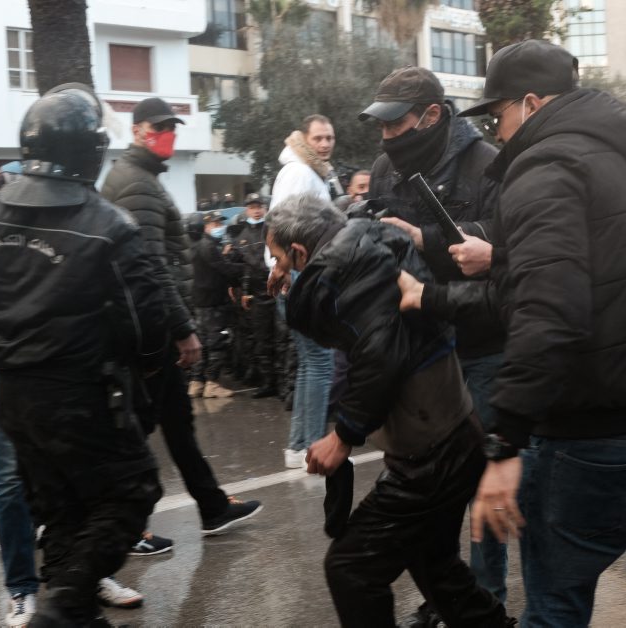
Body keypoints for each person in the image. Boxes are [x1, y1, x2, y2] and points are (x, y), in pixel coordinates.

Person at [459, 40, 626, 627]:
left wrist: (505, 443)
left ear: (531, 104)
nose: (496, 134)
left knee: (555, 607)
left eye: (497, 115)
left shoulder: (542, 168)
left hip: (601, 434)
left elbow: (549, 312)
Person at [0, 86, 165, 626]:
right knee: (131, 492)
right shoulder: (108, 225)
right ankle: (66, 604)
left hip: (13, 394)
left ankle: (74, 611)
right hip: (79, 393)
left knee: (63, 507)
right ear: (90, 151)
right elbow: (148, 323)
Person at [265, 192, 512, 628]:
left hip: (432, 457)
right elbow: (349, 333)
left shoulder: (350, 269)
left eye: (280, 259)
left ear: (300, 251)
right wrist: (295, 285)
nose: (277, 270)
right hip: (444, 441)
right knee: (436, 565)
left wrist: (343, 436)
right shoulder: (362, 252)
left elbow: (380, 357)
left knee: (351, 570)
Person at [0, 171, 145, 626]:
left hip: (50, 357)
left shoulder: (68, 218)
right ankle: (26, 589)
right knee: (14, 474)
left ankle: (78, 583)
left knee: (69, 481)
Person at [358, 65, 508, 615]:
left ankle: (486, 600)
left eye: (395, 124)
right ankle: (445, 593)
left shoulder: (488, 165)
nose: (386, 137)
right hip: (421, 351)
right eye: (380, 126)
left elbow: (505, 256)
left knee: (485, 481)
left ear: (432, 116)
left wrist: (428, 242)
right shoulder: (384, 168)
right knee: (429, 482)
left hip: (482, 347)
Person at [101, 97, 261, 543]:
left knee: (174, 422)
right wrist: (182, 329)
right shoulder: (137, 184)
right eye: (159, 127)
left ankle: (211, 506)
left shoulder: (142, 179)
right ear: (138, 131)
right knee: (140, 427)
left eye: (172, 127)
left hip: (148, 325)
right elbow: (151, 266)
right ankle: (125, 525)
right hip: (149, 330)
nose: (168, 135)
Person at [269, 115, 338, 469]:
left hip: (297, 275)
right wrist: (284, 267)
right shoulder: (299, 172)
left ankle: (298, 448)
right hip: (300, 277)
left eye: (329, 138)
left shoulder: (309, 171)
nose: (325, 144)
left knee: (311, 363)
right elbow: (280, 226)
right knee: (321, 362)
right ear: (304, 139)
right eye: (318, 138)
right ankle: (312, 448)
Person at [226, 194, 278, 399]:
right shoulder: (241, 235)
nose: (256, 210)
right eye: (252, 207)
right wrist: (242, 290)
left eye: (259, 206)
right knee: (261, 339)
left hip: (276, 288)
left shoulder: (272, 229)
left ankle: (280, 382)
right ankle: (267, 381)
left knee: (280, 338)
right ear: (246, 209)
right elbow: (241, 267)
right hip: (257, 294)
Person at [187, 210, 234, 399]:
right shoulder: (208, 245)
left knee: (202, 344)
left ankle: (196, 382)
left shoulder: (193, 245)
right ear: (205, 226)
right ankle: (212, 383)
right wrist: (242, 267)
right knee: (217, 343)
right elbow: (225, 269)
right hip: (213, 303)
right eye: (215, 224)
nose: (219, 227)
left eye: (220, 224)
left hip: (199, 303)